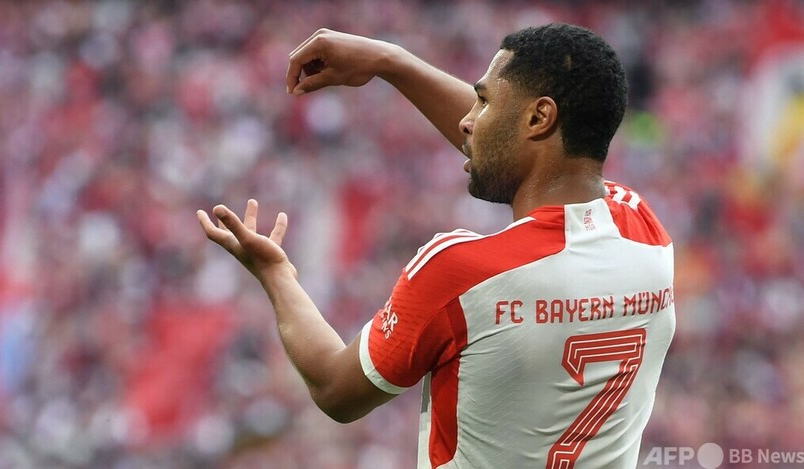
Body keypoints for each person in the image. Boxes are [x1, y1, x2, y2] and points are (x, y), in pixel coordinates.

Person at [198, 23, 675, 468]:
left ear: (539, 116)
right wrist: (391, 62)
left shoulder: (462, 272)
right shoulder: (645, 231)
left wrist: (275, 273)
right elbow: (530, 153)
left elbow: (335, 389)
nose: (467, 121)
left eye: (483, 102)